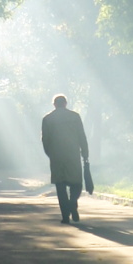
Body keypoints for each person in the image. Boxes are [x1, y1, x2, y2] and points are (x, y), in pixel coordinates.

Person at [41, 94, 89, 224]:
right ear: (65, 103)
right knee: (77, 183)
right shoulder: (75, 117)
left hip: (57, 156)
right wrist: (85, 152)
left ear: (54, 104)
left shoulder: (47, 119)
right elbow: (81, 136)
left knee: (60, 186)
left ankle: (65, 216)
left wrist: (50, 154)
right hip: (73, 154)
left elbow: (45, 140)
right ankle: (73, 203)